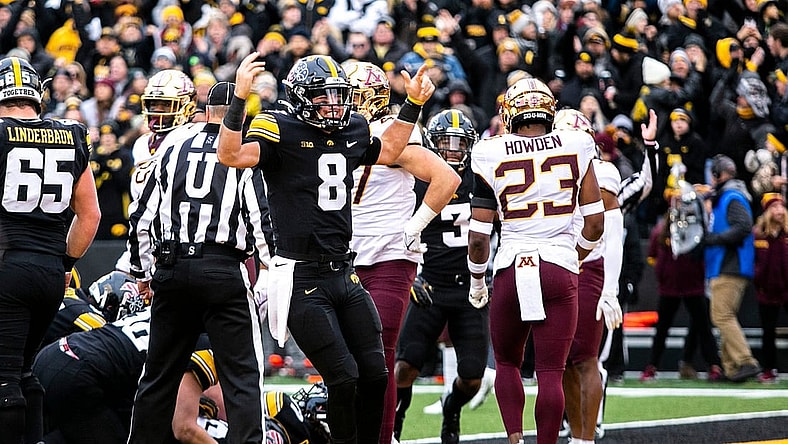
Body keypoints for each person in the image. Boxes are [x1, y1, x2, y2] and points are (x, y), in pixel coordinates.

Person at [217, 53, 435, 444]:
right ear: (300, 97)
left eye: (339, 95)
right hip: (301, 276)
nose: (335, 105)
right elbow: (230, 155)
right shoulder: (277, 125)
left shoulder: (351, 126)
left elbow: (388, 151)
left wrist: (413, 104)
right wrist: (239, 100)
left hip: (343, 273)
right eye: (325, 96)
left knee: (375, 373)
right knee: (345, 376)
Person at [125, 81, 271, 444]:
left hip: (172, 267)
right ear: (243, 115)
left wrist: (142, 273)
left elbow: (142, 215)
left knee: (157, 377)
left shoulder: (172, 147)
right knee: (242, 379)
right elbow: (260, 216)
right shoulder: (241, 153)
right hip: (223, 269)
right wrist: (271, 268)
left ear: (205, 111)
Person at [467, 77, 604, 444]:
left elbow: (479, 237)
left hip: (512, 264)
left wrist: (477, 281)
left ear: (510, 114)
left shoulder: (489, 151)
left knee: (509, 363)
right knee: (550, 371)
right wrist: (572, 258)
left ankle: (515, 439)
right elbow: (594, 223)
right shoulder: (577, 143)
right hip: (558, 263)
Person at [344, 61, 461, 444]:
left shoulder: (390, 134)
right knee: (346, 359)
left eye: (350, 94)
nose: (340, 102)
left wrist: (415, 226)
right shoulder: (334, 135)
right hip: (345, 258)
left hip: (389, 255)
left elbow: (447, 178)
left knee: (379, 354)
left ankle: (384, 437)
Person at [0, 56, 101, 444]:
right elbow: (89, 215)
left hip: (8, 265)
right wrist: (65, 263)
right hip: (49, 272)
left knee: (4, 377)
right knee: (25, 372)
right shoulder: (71, 133)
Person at [393, 109, 487, 444]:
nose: (452, 150)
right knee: (405, 368)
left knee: (473, 376)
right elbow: (400, 229)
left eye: (459, 144)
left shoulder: (482, 178)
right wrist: (412, 274)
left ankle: (453, 407)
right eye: (446, 143)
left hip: (471, 289)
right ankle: (397, 419)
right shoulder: (420, 179)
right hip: (429, 285)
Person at [552, 108, 627, 444]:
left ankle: (585, 438)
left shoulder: (602, 172)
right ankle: (575, 434)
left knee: (584, 358)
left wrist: (609, 289)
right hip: (555, 265)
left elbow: (612, 232)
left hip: (585, 269)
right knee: (564, 360)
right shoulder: (547, 169)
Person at [114, 69, 199, 276]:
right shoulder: (142, 143)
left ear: (186, 105)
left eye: (165, 105)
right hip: (144, 235)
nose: (158, 111)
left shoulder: (190, 137)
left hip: (179, 240)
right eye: (153, 104)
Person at [705, 154, 761, 383]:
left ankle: (746, 361)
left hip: (730, 265)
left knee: (721, 316)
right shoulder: (727, 196)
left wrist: (714, 239)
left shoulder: (732, 197)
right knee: (725, 316)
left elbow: (743, 226)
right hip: (728, 265)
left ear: (719, 174)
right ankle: (731, 369)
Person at [752, 192, 788, 383]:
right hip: (766, 291)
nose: (779, 211)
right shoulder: (758, 235)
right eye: (774, 207)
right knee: (768, 332)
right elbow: (753, 261)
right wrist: (758, 280)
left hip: (786, 289)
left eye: (781, 206)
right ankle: (769, 369)